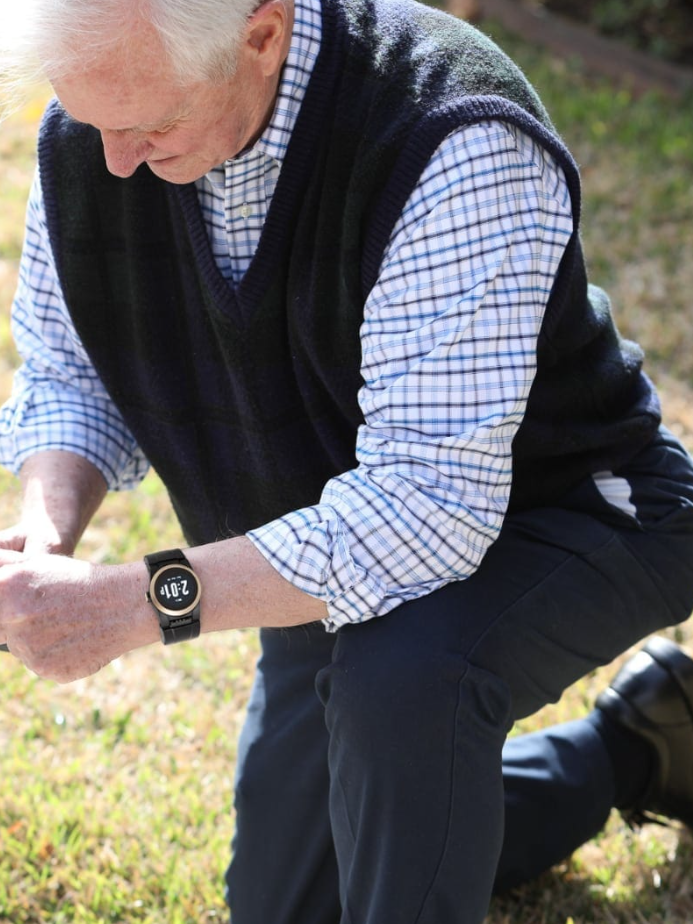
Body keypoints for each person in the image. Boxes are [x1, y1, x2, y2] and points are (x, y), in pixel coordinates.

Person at [1, 0, 693, 920]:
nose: (116, 159)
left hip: (575, 508)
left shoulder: (453, 134)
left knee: (401, 683)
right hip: (334, 538)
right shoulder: (100, 129)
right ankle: (639, 746)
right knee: (295, 902)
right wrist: (44, 536)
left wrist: (138, 601)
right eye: (93, 120)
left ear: (263, 31)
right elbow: (69, 368)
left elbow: (425, 511)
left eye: (150, 124)